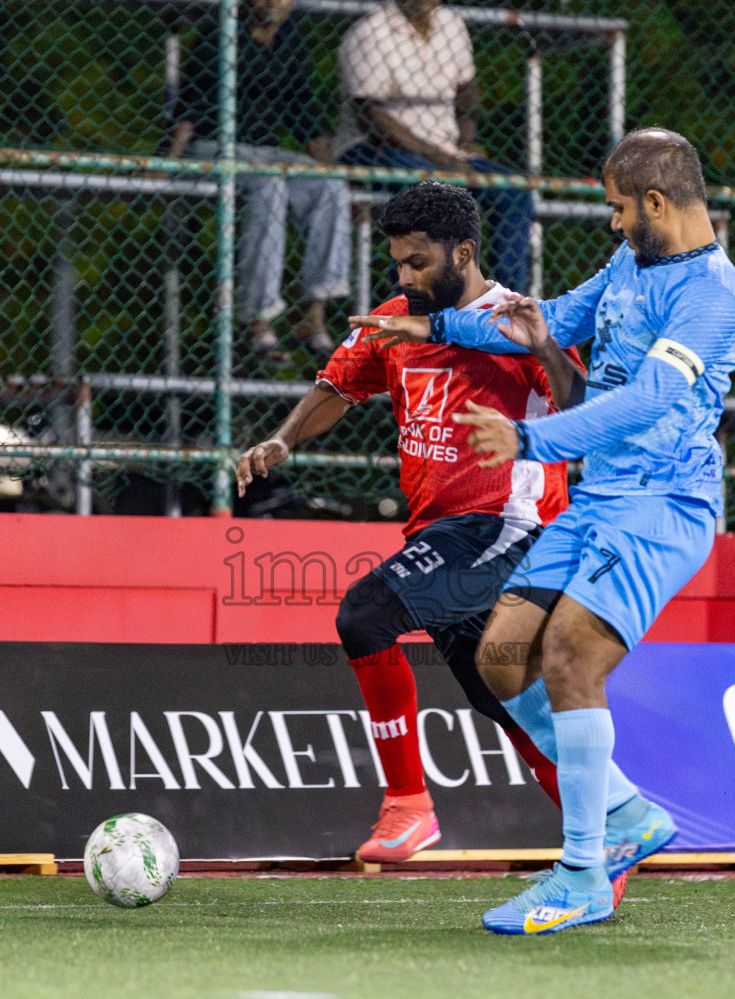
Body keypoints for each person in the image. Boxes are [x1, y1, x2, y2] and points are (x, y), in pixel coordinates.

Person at [352, 128, 735, 934]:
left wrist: (531, 440)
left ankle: (581, 873)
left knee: (569, 657)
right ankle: (628, 816)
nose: (612, 222)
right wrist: (442, 329)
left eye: (618, 208)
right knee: (502, 656)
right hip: (599, 500)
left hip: (661, 505)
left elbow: (645, 402)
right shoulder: (632, 262)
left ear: (656, 202)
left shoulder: (713, 296)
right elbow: (554, 319)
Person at [236, 182, 580, 864]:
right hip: (441, 536)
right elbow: (336, 386)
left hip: (508, 528)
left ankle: (409, 805)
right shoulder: (396, 322)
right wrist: (283, 439)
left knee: (365, 615)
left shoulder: (517, 321)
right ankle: (603, 840)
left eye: (418, 262)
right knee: (505, 703)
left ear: (464, 253)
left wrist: (544, 350)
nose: (404, 277)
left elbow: (582, 409)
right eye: (396, 262)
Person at [170, 0, 351, 362]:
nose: (272, 3)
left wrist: (333, 169)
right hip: (212, 145)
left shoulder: (290, 38)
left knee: (329, 186)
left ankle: (314, 316)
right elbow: (190, 109)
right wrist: (168, 163)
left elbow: (303, 113)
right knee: (269, 183)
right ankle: (258, 319)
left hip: (263, 149)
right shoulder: (220, 33)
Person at [332, 0, 532, 295]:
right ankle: (414, 303)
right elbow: (371, 118)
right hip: (370, 148)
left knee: (514, 191)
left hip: (444, 151)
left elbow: (466, 90)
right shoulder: (369, 31)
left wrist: (466, 140)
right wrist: (440, 159)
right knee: (428, 188)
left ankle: (505, 303)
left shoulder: (451, 24)